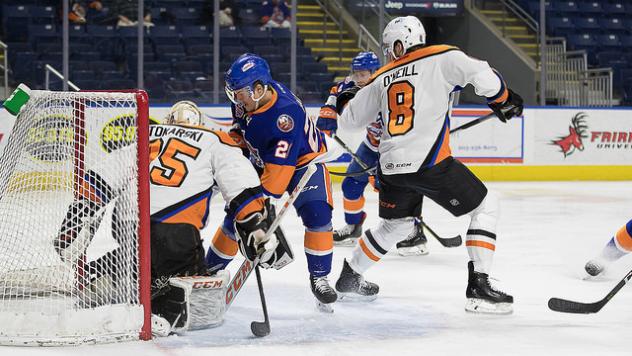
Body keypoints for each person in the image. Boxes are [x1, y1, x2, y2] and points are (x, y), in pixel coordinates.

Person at [334, 16, 523, 314]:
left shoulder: (382, 76)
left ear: (400, 44)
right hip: (430, 163)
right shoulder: (443, 56)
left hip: (392, 167)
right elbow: (483, 75)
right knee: (486, 206)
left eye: (389, 47)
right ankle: (480, 286)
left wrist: (345, 96)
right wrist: (502, 99)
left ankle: (350, 276)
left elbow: (348, 120)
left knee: (396, 226)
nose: (388, 53)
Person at [55, 100, 283, 335]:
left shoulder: (148, 134)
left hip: (128, 224)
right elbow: (238, 181)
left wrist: (80, 211)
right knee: (196, 289)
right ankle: (167, 305)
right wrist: (254, 223)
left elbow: (107, 172)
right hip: (175, 229)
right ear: (199, 124)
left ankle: (110, 276)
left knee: (139, 258)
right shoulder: (216, 139)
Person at [206, 53, 338, 311]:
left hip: (302, 163)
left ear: (258, 89)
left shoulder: (284, 115)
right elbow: (240, 129)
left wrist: (260, 214)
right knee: (235, 219)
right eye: (233, 93)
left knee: (318, 216)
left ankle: (319, 277)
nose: (235, 99)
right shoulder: (248, 98)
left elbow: (277, 179)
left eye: (239, 93)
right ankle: (209, 270)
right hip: (262, 160)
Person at [317, 51, 429, 256]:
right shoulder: (354, 84)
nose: (359, 79)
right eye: (356, 74)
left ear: (375, 72)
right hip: (370, 145)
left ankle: (413, 231)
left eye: (363, 75)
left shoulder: (388, 87)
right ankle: (353, 227)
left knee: (395, 193)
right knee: (351, 184)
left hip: (395, 149)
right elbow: (337, 90)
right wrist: (328, 111)